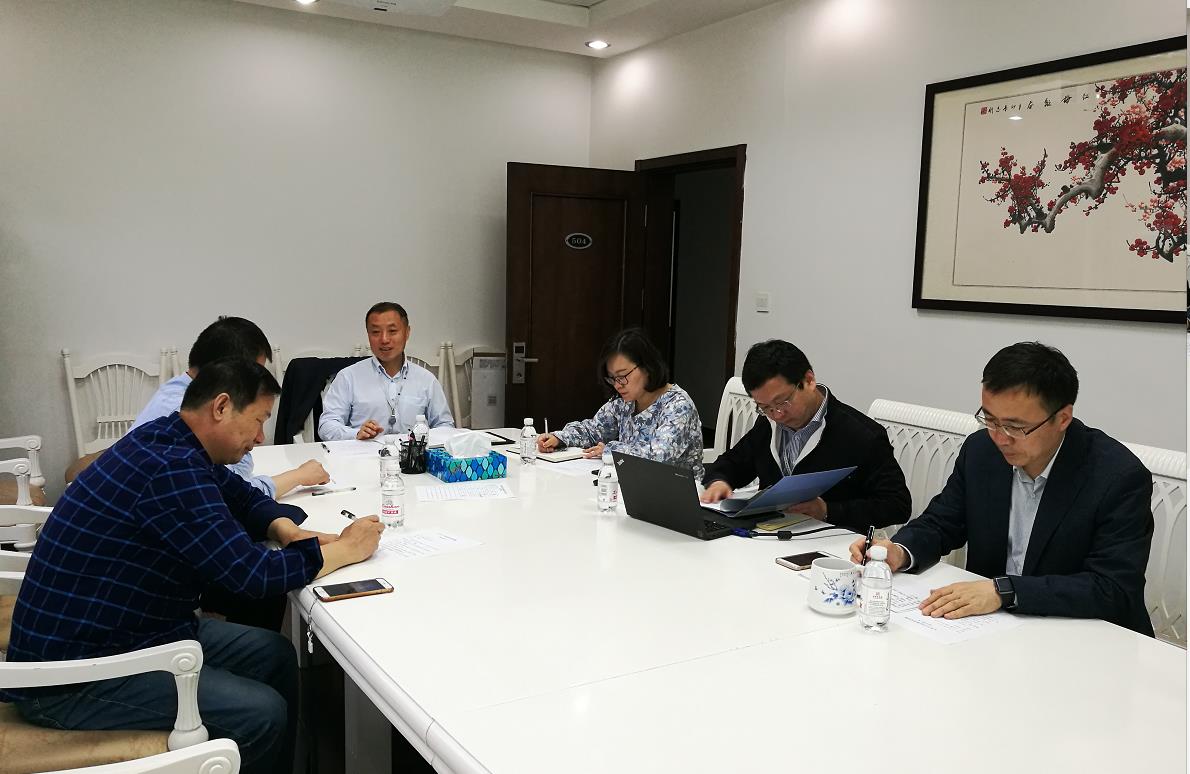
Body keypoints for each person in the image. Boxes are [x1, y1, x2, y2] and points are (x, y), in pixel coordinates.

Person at [1, 359, 385, 774]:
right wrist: (344, 551)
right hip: (71, 678)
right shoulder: (170, 467)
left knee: (273, 654)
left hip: (136, 630)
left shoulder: (172, 439)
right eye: (258, 421)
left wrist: (286, 530)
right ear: (221, 407)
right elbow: (251, 575)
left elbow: (243, 497)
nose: (260, 437)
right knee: (261, 713)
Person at [849, 342, 1154, 635]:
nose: (1000, 437)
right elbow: (942, 522)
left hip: (1086, 638)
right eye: (990, 419)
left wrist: (1004, 592)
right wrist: (899, 552)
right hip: (993, 629)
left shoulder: (1117, 477)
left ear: (1063, 418)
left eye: (1015, 427)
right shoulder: (981, 451)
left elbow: (1112, 588)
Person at [700, 339, 910, 533]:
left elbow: (897, 505)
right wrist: (720, 481)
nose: (777, 414)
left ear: (809, 380)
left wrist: (828, 510)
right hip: (769, 536)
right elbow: (734, 462)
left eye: (783, 402)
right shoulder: (769, 424)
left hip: (831, 543)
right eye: (764, 407)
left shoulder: (861, 435)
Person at [131, 316, 330, 499]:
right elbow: (227, 493)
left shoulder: (180, 390)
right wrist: (297, 476)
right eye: (254, 373)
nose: (260, 438)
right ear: (227, 371)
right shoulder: (186, 414)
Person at [537, 328, 704, 477]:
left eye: (623, 376)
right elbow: (594, 430)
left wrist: (610, 450)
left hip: (678, 494)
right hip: (634, 486)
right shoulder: (624, 402)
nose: (617, 385)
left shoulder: (678, 405)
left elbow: (659, 457)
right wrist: (559, 438)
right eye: (612, 378)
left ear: (647, 366)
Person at [319, 302, 454, 440]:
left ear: (407, 332)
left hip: (413, 452)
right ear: (368, 335)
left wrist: (423, 439)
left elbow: (445, 426)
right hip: (362, 452)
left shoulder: (426, 380)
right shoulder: (348, 377)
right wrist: (356, 434)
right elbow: (327, 426)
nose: (384, 339)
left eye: (392, 331)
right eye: (375, 332)